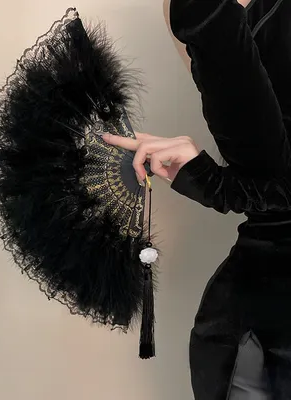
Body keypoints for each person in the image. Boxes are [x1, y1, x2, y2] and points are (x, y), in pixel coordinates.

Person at [103, 0, 291, 398]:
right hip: (262, 334)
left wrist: (211, 183)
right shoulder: (198, 8)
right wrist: (207, 179)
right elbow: (268, 175)